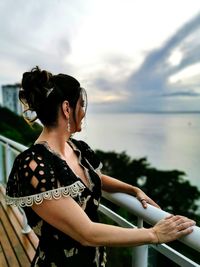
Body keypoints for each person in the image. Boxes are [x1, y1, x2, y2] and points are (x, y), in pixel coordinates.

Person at [6, 66, 195, 267]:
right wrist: (154, 234)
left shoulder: (77, 148)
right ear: (67, 108)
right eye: (82, 105)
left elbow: (92, 178)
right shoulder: (33, 164)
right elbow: (86, 233)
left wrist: (133, 189)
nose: (84, 113)